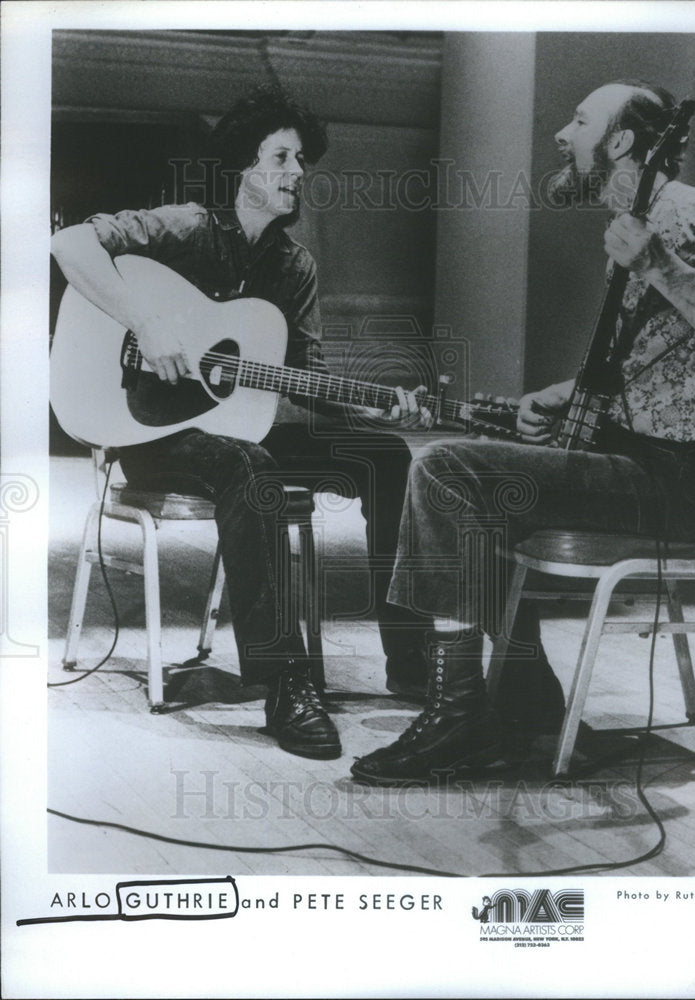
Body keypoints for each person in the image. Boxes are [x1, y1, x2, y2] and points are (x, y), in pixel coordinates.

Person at [350, 79, 695, 785]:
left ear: (620, 142)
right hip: (641, 462)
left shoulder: (681, 213)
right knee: (484, 491)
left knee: (447, 471)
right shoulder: (639, 219)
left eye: (578, 121)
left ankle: (457, 712)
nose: (561, 137)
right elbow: (667, 356)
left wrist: (658, 264)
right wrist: (567, 395)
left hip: (679, 484)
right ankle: (523, 707)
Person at [51, 86, 433, 761]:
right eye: (281, 157)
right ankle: (286, 680)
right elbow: (71, 243)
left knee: (381, 455)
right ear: (244, 169)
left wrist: (366, 404)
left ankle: (409, 657)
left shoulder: (293, 267)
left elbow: (308, 379)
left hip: (236, 433)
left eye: (301, 160)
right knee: (248, 466)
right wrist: (146, 321)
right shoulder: (184, 227)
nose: (297, 172)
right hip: (152, 435)